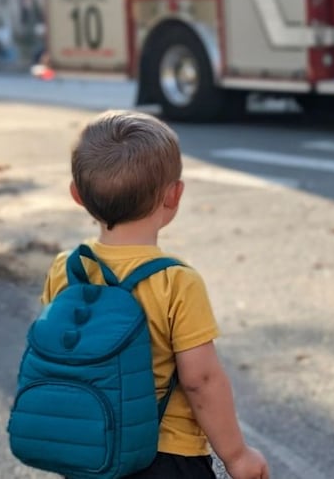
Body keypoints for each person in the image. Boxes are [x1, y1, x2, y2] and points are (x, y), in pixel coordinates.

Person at [39, 110, 269, 479]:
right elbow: (201, 380)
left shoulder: (66, 269)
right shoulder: (176, 282)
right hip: (165, 459)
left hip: (90, 452)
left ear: (77, 195)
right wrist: (237, 455)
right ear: (174, 195)